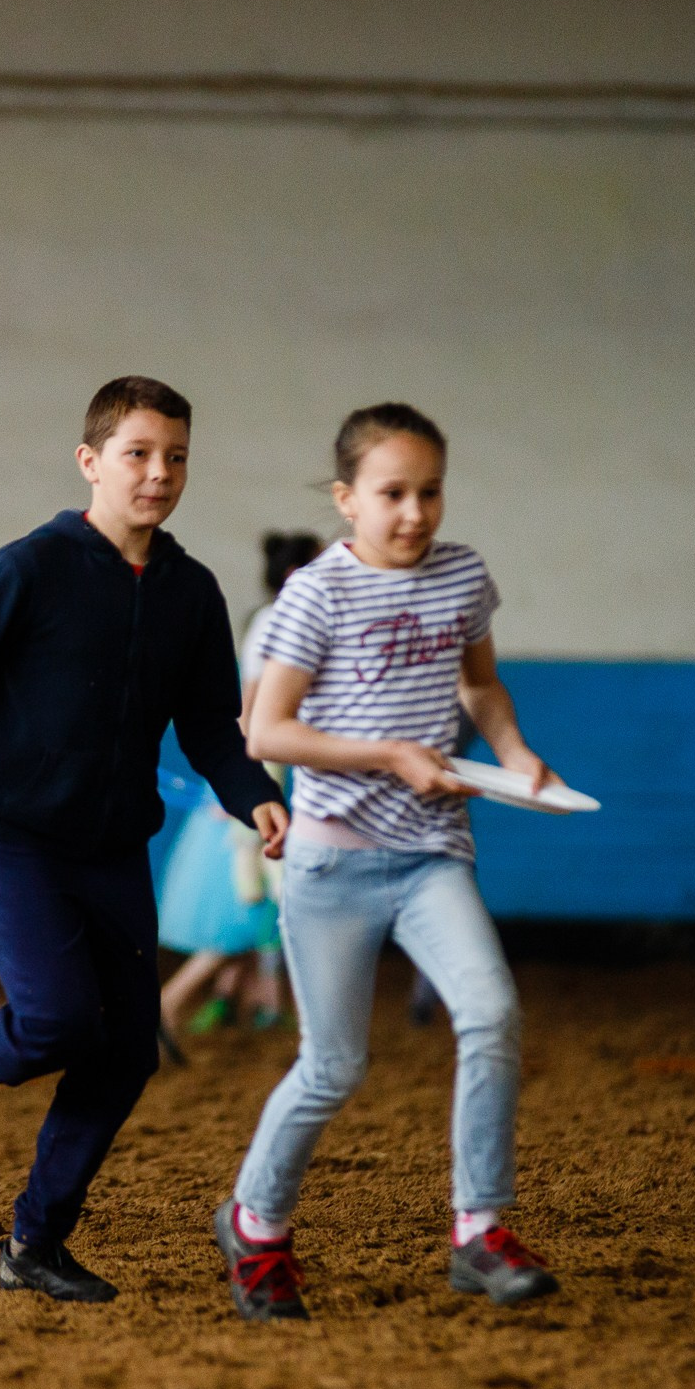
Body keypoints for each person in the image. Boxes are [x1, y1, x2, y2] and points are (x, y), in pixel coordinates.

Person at [0, 375, 287, 1303]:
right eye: (138, 453)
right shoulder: (30, 568)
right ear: (91, 461)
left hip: (113, 847)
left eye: (176, 456)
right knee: (59, 1018)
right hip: (20, 836)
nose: (159, 473)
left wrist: (252, 794)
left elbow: (211, 726)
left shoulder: (190, 591)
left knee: (127, 1047)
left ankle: (35, 1241)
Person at [213, 403, 562, 1323]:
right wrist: (392, 754)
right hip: (333, 865)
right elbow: (265, 730)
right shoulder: (315, 594)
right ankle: (256, 1223)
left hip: (431, 856)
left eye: (431, 491)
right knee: (333, 1066)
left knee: (491, 1014)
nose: (415, 512)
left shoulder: (462, 577)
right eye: (393, 493)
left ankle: (479, 1229)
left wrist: (514, 752)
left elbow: (479, 686)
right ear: (347, 498)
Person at [156, 530, 323, 1045]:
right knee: (249, 905)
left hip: (257, 771)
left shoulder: (263, 623)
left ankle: (248, 998)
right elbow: (253, 711)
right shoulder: (280, 625)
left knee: (256, 904)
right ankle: (169, 1005)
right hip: (263, 774)